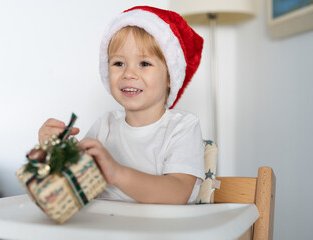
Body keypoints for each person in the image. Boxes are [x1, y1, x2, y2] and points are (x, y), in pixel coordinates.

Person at [38, 6, 205, 204]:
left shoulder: (182, 127)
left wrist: (116, 172)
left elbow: (177, 193)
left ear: (170, 76)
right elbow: (74, 189)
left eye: (144, 64)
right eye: (119, 63)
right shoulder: (105, 125)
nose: (128, 74)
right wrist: (54, 152)